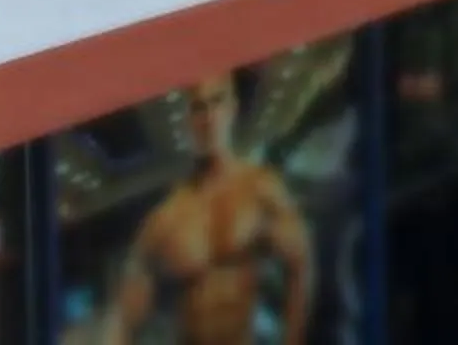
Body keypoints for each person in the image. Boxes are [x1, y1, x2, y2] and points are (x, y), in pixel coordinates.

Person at [103, 72, 314, 345]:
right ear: (189, 120)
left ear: (232, 107)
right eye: (199, 107)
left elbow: (300, 266)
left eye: (217, 101)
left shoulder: (260, 190)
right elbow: (124, 317)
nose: (209, 118)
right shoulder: (166, 218)